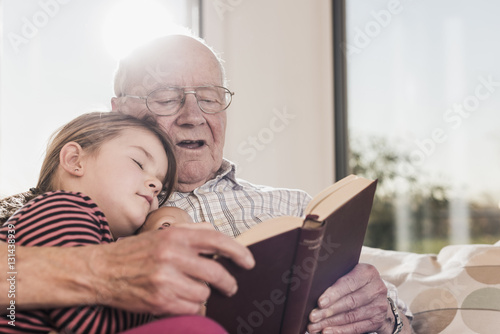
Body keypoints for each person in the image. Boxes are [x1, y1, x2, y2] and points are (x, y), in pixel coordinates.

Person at [0, 35, 412, 333]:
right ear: (119, 113)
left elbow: (406, 321)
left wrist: (383, 312)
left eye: (210, 97)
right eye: (165, 97)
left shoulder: (296, 206)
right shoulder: (95, 207)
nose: (193, 115)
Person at [0, 112, 179, 333]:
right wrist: (158, 307)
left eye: (161, 187)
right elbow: (85, 324)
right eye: (139, 163)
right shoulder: (64, 209)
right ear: (75, 160)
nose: (156, 186)